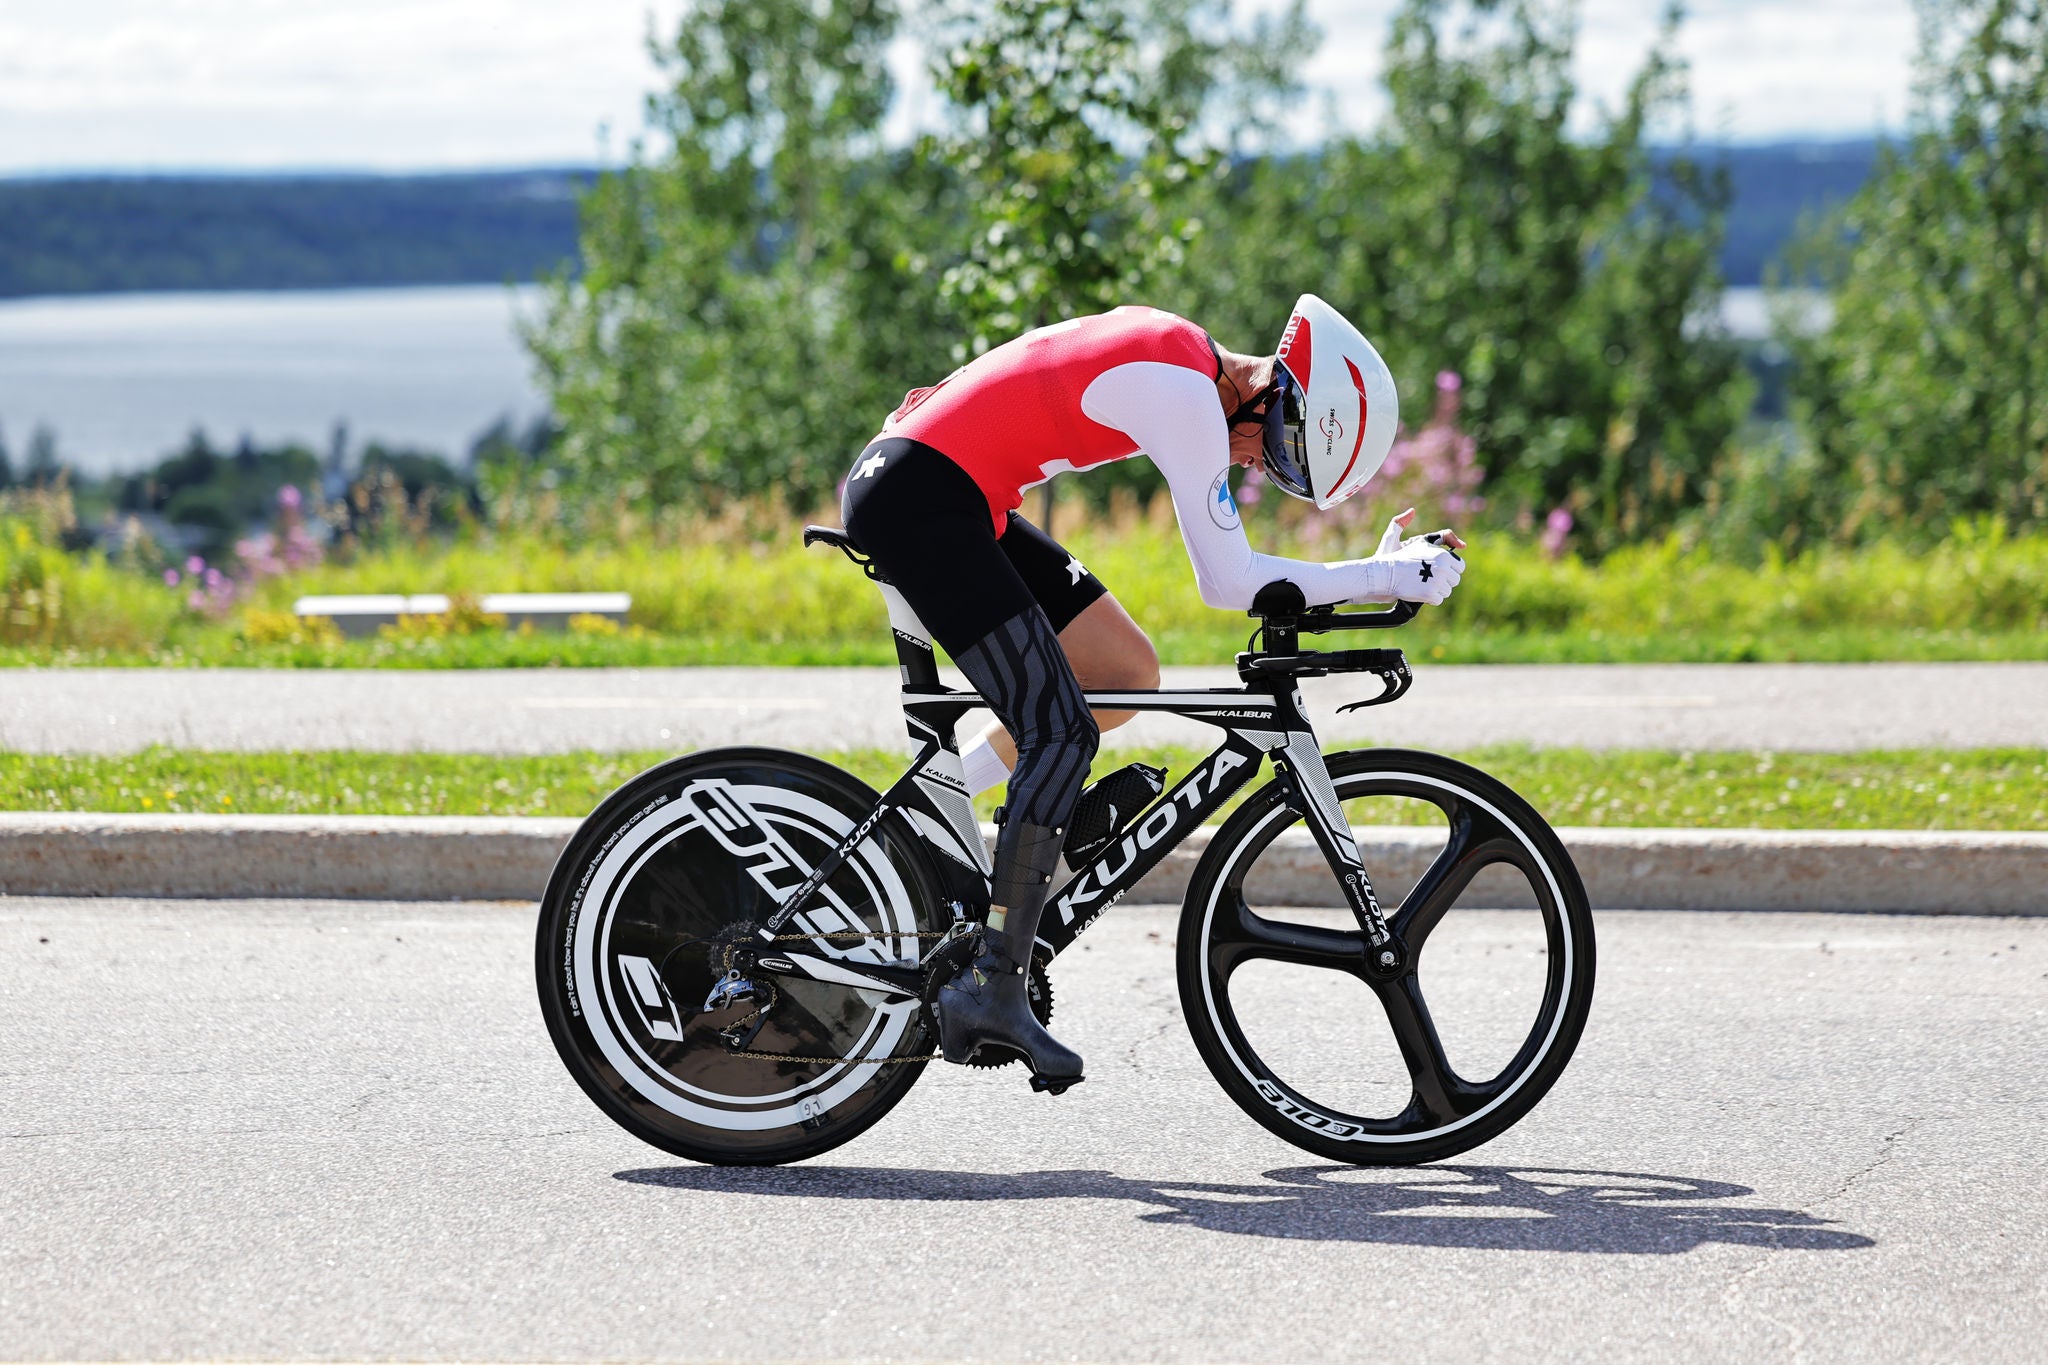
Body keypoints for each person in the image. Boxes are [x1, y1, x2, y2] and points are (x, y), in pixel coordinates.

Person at [840, 295, 1467, 1092]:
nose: (1254, 466)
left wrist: (1367, 574)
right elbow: (1228, 580)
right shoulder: (1186, 389)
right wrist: (1380, 575)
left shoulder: (1187, 359)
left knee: (1123, 671)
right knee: (1060, 733)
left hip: (945, 485)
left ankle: (946, 802)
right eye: (1275, 453)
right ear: (1278, 398)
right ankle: (994, 978)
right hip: (923, 493)